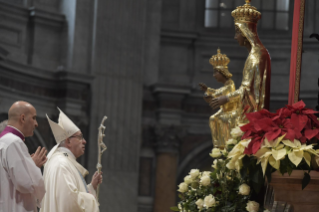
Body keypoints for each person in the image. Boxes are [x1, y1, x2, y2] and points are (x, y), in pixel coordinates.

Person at [209, 0, 271, 116]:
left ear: (245, 32)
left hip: (253, 115)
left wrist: (227, 98)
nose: (235, 37)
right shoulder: (256, 53)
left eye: (237, 33)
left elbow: (247, 90)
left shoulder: (257, 56)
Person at [41, 108, 102, 212]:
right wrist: (91, 199)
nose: (84, 141)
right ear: (68, 141)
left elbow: (68, 194)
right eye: (80, 137)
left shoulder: (61, 161)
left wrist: (91, 187)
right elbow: (69, 202)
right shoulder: (61, 164)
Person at [0, 101, 47, 212]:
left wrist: (28, 164)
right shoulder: (14, 142)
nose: (36, 124)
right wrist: (33, 166)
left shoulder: (3, 141)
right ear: (23, 118)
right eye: (34, 118)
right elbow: (26, 184)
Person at [199, 48, 239, 148]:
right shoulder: (226, 85)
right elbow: (218, 92)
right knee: (213, 118)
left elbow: (220, 94)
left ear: (222, 72)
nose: (214, 76)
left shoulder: (230, 85)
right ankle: (218, 143)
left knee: (215, 119)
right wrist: (207, 89)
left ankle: (223, 143)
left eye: (215, 73)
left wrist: (210, 95)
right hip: (224, 110)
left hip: (229, 112)